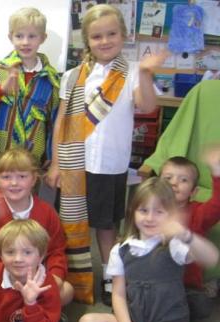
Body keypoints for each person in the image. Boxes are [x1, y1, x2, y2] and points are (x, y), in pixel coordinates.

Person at [45, 4, 169, 304]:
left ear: (123, 36)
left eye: (111, 34)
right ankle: (72, 278)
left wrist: (146, 74)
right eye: (97, 36)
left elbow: (147, 105)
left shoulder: (132, 72)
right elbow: (61, 121)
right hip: (75, 163)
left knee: (106, 226)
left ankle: (111, 276)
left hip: (109, 165)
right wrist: (56, 163)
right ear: (87, 40)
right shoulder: (72, 76)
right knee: (70, 223)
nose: (104, 41)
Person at [72, 178, 219, 322]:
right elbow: (118, 295)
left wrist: (185, 235)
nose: (150, 218)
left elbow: (211, 257)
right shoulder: (120, 249)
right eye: (143, 210)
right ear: (133, 212)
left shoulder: (174, 245)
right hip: (132, 318)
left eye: (159, 212)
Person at [0, 148, 71, 322]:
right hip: (0, 275)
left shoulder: (46, 212)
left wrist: (57, 275)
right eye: (6, 177)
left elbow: (57, 249)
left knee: (66, 290)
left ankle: (37, 314)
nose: (14, 183)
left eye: (22, 176)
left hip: (32, 274)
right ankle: (15, 317)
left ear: (34, 179)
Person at [0, 7, 60, 194]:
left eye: (32, 36)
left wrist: (51, 156)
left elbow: (55, 122)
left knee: (26, 204)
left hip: (30, 160)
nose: (25, 42)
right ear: (10, 37)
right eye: (19, 36)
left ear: (43, 38)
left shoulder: (51, 80)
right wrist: (0, 90)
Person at [159, 149, 220, 319]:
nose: (174, 183)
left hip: (185, 286)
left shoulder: (198, 213)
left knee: (200, 306)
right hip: (155, 282)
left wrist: (217, 171)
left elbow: (217, 205)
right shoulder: (150, 211)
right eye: (168, 178)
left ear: (194, 192)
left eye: (183, 180)